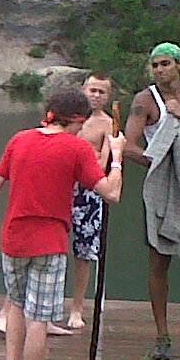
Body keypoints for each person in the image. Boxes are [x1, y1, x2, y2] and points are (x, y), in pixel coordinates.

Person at [0, 88, 125, 360]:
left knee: (15, 306)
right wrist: (116, 155)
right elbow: (111, 193)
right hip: (50, 244)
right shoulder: (77, 148)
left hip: (13, 239)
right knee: (39, 318)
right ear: (77, 120)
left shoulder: (19, 140)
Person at [123, 42, 180, 360]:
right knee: (160, 259)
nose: (159, 70)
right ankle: (162, 336)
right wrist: (159, 163)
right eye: (155, 65)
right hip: (165, 181)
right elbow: (128, 145)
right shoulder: (145, 101)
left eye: (165, 64)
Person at [67, 72, 114, 329]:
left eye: (101, 92)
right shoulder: (70, 118)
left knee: (84, 251)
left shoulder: (107, 124)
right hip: (62, 186)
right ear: (83, 89)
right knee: (49, 246)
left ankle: (77, 308)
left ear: (108, 97)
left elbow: (104, 160)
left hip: (90, 190)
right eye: (92, 90)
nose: (95, 96)